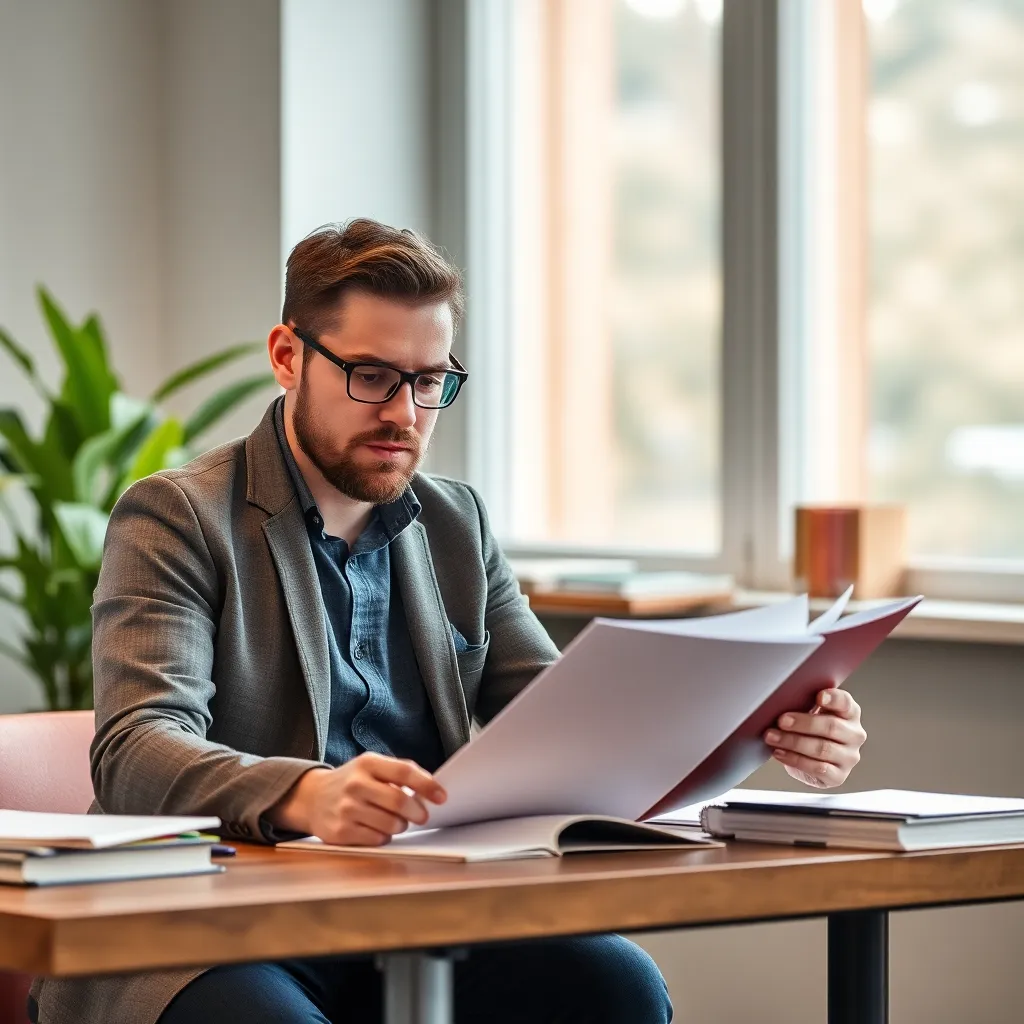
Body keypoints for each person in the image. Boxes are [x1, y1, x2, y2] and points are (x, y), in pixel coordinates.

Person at [31, 219, 867, 1024]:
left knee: (616, 988)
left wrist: (767, 722)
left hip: (415, 915)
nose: (404, 413)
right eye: (371, 376)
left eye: (429, 382)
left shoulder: (455, 522)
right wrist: (309, 794)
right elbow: (136, 749)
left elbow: (565, 715)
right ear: (288, 357)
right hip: (208, 928)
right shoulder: (179, 516)